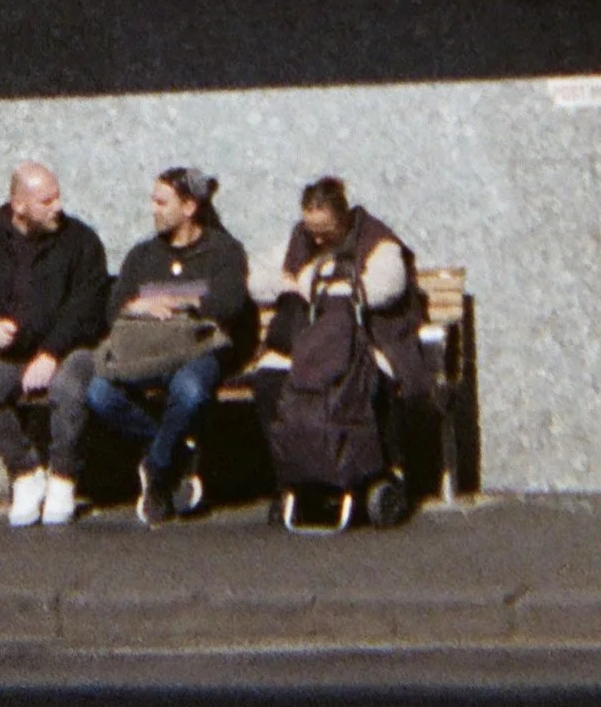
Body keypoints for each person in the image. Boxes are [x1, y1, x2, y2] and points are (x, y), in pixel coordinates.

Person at [84, 166, 253, 523]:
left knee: (189, 389)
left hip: (200, 350)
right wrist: (138, 305)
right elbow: (113, 308)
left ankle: (158, 470)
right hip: (147, 352)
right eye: (153, 200)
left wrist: (178, 301)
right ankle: (175, 454)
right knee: (99, 392)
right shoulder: (142, 255)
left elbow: (229, 303)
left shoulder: (223, 251)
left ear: (189, 207)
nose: (153, 209)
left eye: (162, 201)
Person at [251, 174, 432, 501]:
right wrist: (287, 283)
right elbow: (256, 276)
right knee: (268, 378)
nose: (317, 241)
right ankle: (293, 475)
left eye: (325, 232)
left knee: (348, 380)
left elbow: (380, 290)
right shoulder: (300, 240)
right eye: (311, 231)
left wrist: (309, 282)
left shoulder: (378, 243)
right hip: (311, 340)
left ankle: (360, 471)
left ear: (344, 219)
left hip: (367, 338)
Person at [0, 162, 109, 527]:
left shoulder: (80, 241)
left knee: (69, 386)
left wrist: (50, 353)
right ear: (19, 206)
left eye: (57, 197)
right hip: (17, 349)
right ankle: (26, 471)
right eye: (46, 201)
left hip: (72, 346)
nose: (56, 206)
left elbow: (86, 306)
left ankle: (63, 477)